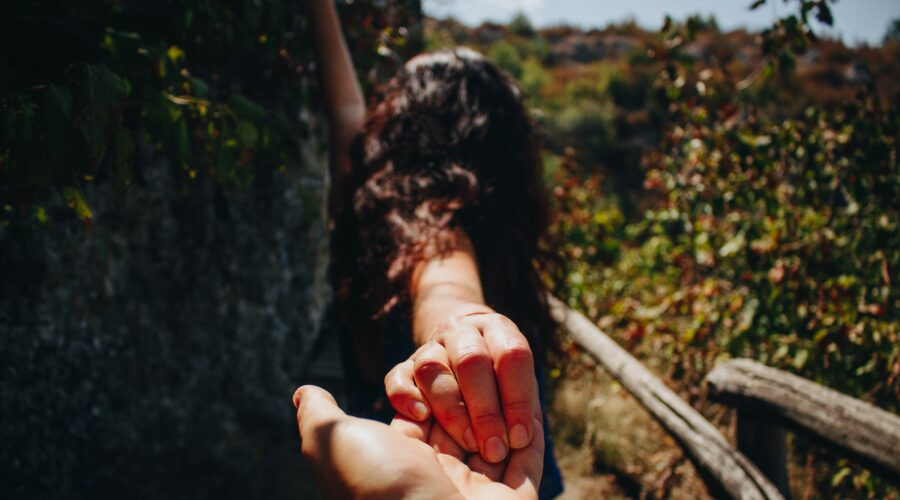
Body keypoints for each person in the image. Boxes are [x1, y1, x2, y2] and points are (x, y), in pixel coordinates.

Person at [304, 1, 564, 497]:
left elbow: (346, 111)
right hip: (492, 465)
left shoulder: (364, 198)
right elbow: (445, 282)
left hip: (392, 459)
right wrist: (461, 324)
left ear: (398, 128)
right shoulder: (456, 230)